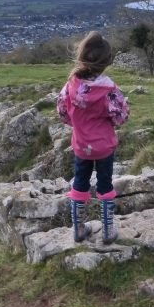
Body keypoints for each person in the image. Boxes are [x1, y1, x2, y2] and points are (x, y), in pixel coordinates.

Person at [57, 31, 130, 244]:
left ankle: (78, 230)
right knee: (105, 185)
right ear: (106, 62)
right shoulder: (109, 90)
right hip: (104, 146)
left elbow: (62, 112)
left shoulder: (71, 85)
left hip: (81, 145)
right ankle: (108, 231)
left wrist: (79, 123)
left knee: (79, 183)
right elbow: (120, 117)